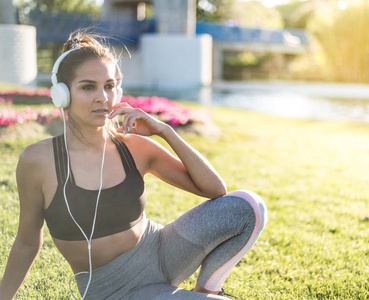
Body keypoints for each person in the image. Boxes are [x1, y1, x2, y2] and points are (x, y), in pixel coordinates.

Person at [0, 30, 267, 300]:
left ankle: (206, 290)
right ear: (62, 94)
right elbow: (26, 241)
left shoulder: (134, 148)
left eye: (109, 85)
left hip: (162, 251)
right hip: (112, 290)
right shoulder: (38, 160)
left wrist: (165, 131)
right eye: (88, 86)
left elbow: (215, 190)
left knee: (248, 206)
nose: (102, 97)